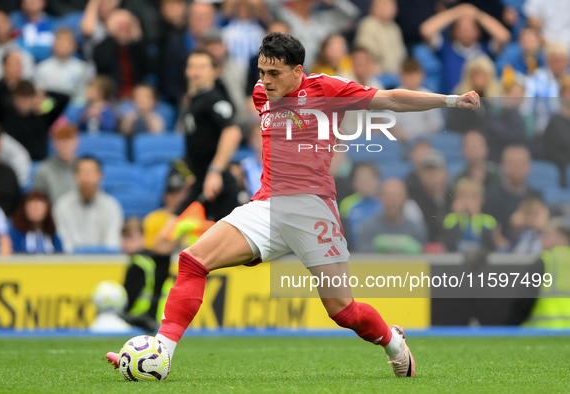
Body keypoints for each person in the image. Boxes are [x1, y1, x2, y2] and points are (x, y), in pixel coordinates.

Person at [105, 32, 481, 377]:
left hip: (313, 208)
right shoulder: (260, 94)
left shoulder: (327, 89)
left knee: (343, 311)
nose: (266, 81)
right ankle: (161, 353)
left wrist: (450, 100)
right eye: (261, 71)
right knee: (192, 260)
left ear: (297, 70)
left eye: (274, 73)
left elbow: (392, 98)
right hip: (267, 205)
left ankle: (394, 343)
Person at [175, 49, 242, 221]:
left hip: (216, 184)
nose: (196, 71)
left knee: (172, 235)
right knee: (173, 235)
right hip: (200, 182)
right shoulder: (193, 100)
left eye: (202, 67)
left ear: (215, 71)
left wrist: (214, 171)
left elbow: (232, 132)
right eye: (192, 66)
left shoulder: (214, 99)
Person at [420, 2, 510, 94]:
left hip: (481, 104)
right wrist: (456, 13)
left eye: (470, 27)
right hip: (451, 104)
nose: (466, 30)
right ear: (454, 31)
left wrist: (477, 14)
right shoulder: (446, 49)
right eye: (461, 27)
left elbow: (504, 36)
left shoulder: (485, 50)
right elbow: (426, 30)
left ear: (478, 31)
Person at [53, 156, 124, 252]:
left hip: (103, 263)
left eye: (90, 172)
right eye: (82, 172)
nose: (86, 176)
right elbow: (63, 242)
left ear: (100, 175)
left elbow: (112, 243)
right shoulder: (62, 205)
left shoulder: (112, 206)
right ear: (75, 175)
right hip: (70, 263)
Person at [484, 144, 540, 249]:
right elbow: (489, 232)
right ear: (503, 165)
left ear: (529, 167)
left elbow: (544, 223)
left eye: (521, 162)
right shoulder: (491, 196)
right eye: (512, 162)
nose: (517, 166)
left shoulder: (536, 196)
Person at [2, 80, 70, 161]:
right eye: (21, 99)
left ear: (33, 98)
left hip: (39, 162)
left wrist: (43, 92)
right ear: (14, 99)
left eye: (27, 99)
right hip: (14, 162)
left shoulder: (42, 117)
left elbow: (64, 98)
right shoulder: (6, 115)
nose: (24, 103)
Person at [355, 178, 427, 253]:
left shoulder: (417, 229)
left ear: (406, 198)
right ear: (380, 198)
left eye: (398, 195)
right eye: (388, 195)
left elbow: (423, 255)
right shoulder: (368, 227)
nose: (393, 200)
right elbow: (362, 256)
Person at [34, 28, 94, 100]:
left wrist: (71, 110)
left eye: (67, 42)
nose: (63, 46)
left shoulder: (82, 69)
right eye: (60, 42)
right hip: (48, 108)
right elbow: (39, 96)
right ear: (53, 45)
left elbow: (83, 97)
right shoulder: (42, 68)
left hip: (74, 107)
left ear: (74, 46)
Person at [442, 177, 496, 253]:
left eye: (473, 197)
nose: (467, 201)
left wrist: (475, 216)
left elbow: (491, 246)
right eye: (463, 196)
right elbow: (450, 244)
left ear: (481, 200)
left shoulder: (488, 220)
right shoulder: (451, 218)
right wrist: (459, 216)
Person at [354, 0, 406, 75]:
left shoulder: (395, 28)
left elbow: (401, 55)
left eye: (390, 5)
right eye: (383, 4)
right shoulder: (368, 25)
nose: (387, 8)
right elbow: (364, 52)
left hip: (396, 73)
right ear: (373, 7)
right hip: (376, 74)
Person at [32, 125, 79, 203]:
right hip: (52, 213)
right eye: (61, 140)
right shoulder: (44, 169)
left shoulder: (84, 168)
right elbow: (38, 201)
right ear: (53, 144)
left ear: (76, 142)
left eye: (68, 140)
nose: (65, 145)